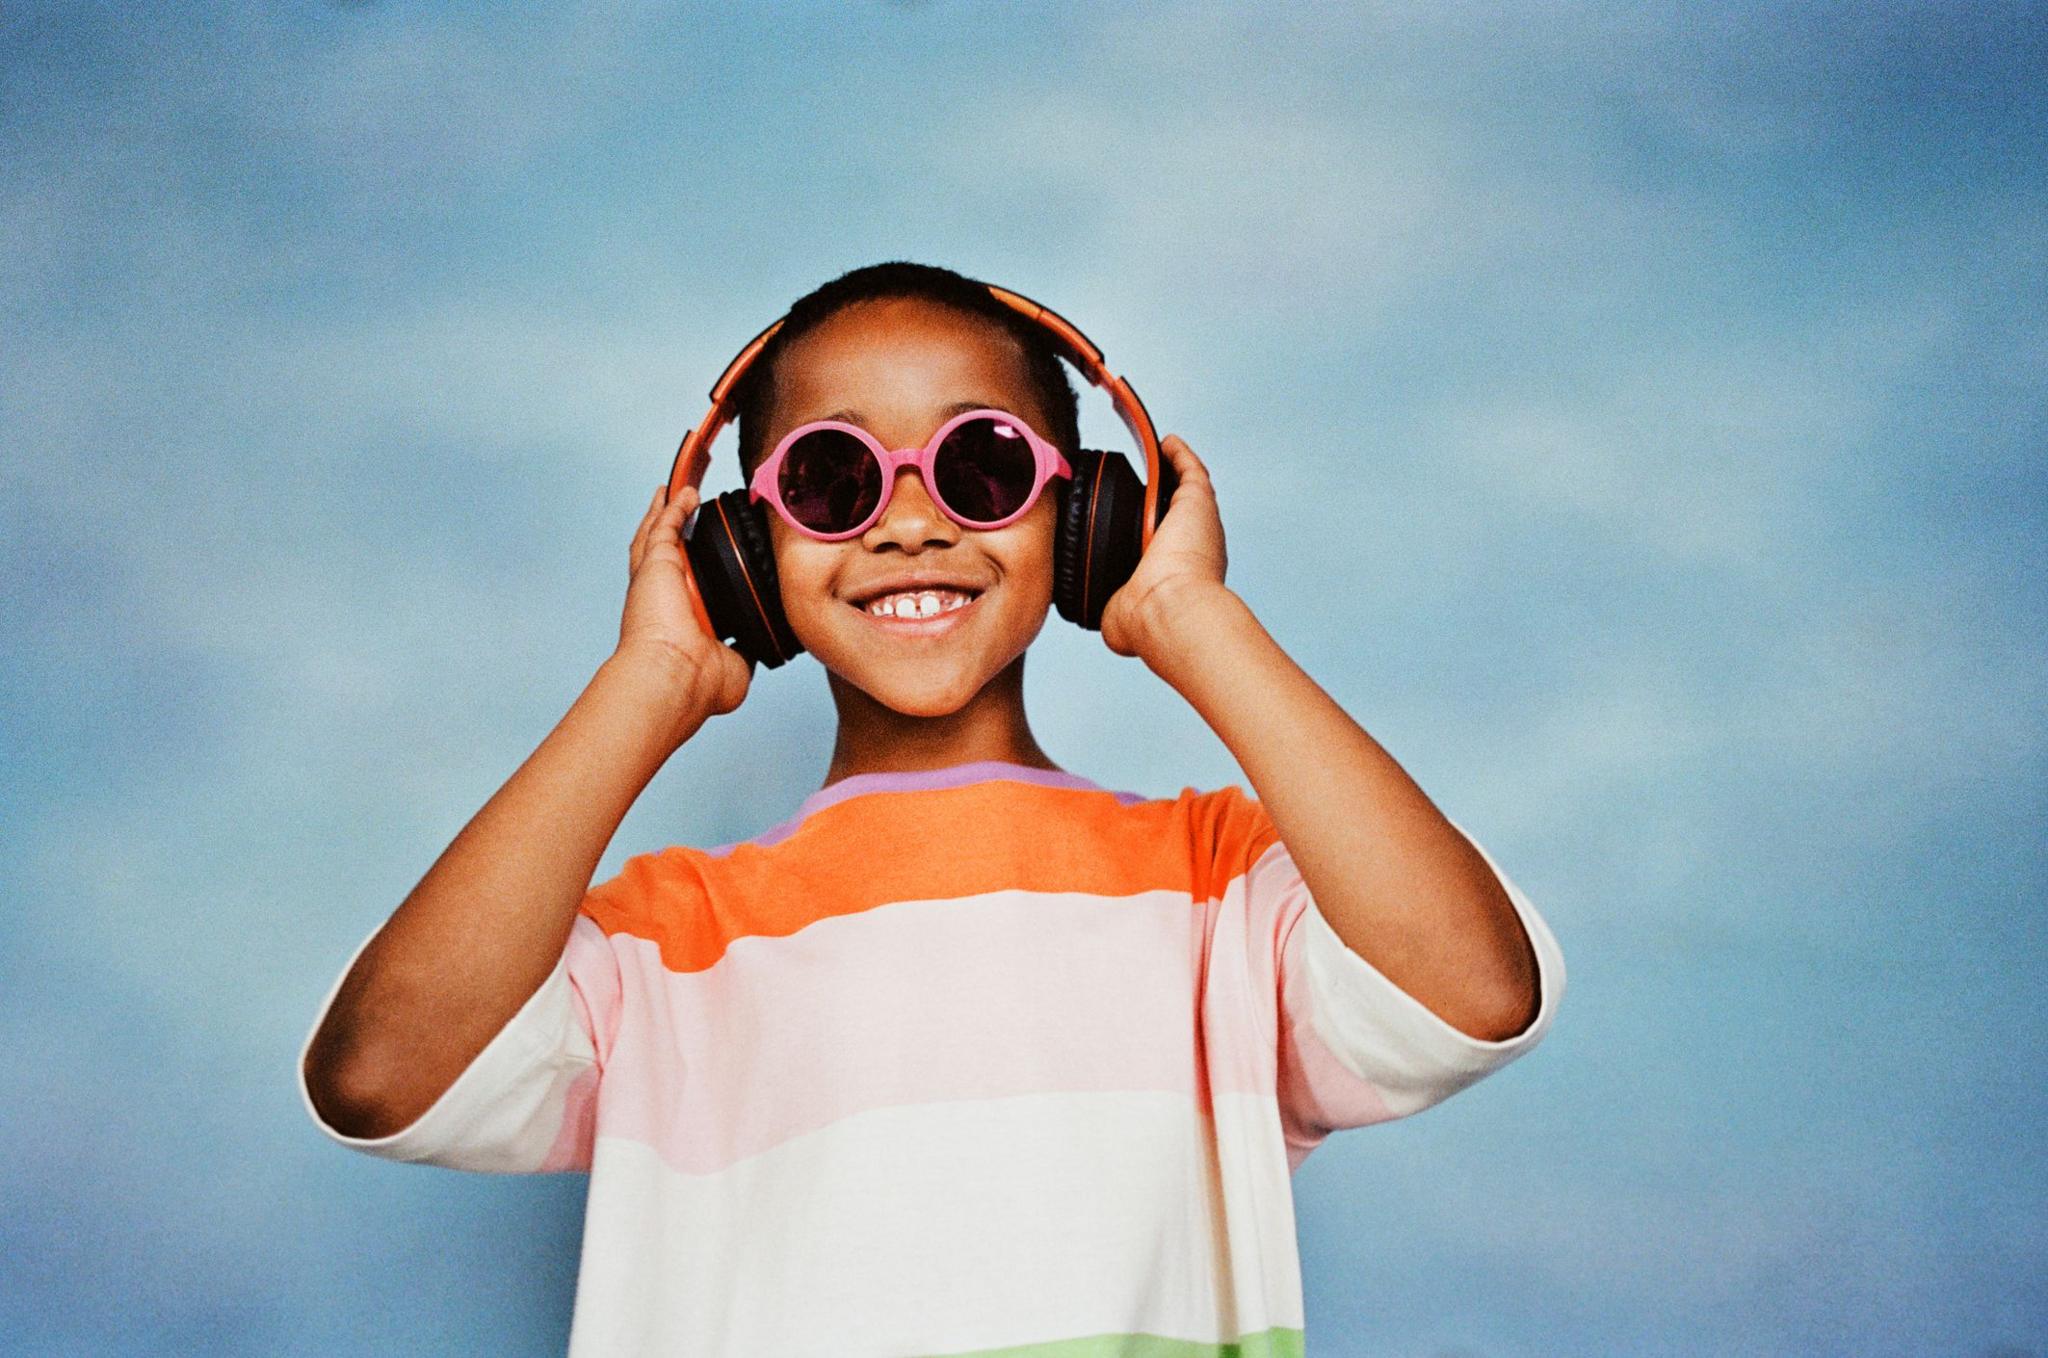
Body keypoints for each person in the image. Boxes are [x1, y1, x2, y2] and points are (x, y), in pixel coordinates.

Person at [297, 261, 1565, 1356]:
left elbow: (1471, 990)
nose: (908, 523)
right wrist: (652, 680)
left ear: (1089, 512)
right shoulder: (665, 944)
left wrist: (1191, 617)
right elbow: (379, 1073)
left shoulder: (1216, 889)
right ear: (738, 546)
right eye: (834, 478)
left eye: (979, 464)